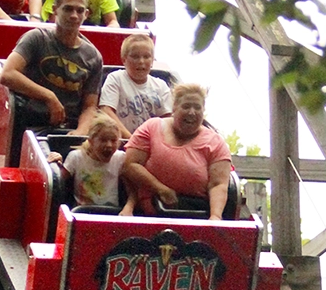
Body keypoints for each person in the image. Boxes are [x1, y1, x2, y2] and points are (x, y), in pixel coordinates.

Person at [0, 0, 102, 133]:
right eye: (68, 9)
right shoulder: (36, 38)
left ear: (86, 14)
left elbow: (89, 106)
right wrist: (49, 97)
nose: (74, 15)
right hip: (32, 126)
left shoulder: (93, 56)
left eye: (80, 10)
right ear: (55, 10)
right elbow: (7, 74)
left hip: (69, 128)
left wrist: (79, 134)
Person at [120, 83, 231, 220]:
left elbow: (218, 184)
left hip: (195, 213)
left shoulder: (216, 142)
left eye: (197, 107)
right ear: (174, 108)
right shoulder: (152, 127)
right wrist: (160, 189)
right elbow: (130, 165)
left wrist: (215, 216)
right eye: (186, 106)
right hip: (148, 212)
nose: (192, 112)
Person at [100, 33, 172, 137]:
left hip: (151, 142)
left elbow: (167, 120)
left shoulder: (161, 86)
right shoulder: (116, 79)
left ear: (152, 60)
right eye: (135, 57)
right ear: (124, 60)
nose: (141, 61)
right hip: (122, 141)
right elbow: (106, 111)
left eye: (146, 57)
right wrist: (131, 140)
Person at [62, 115, 125, 208]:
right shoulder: (76, 157)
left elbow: (132, 189)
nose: (109, 145)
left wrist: (129, 207)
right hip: (83, 211)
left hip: (111, 211)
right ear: (91, 141)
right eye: (103, 140)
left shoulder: (120, 158)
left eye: (113, 140)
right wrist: (57, 162)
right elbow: (58, 182)